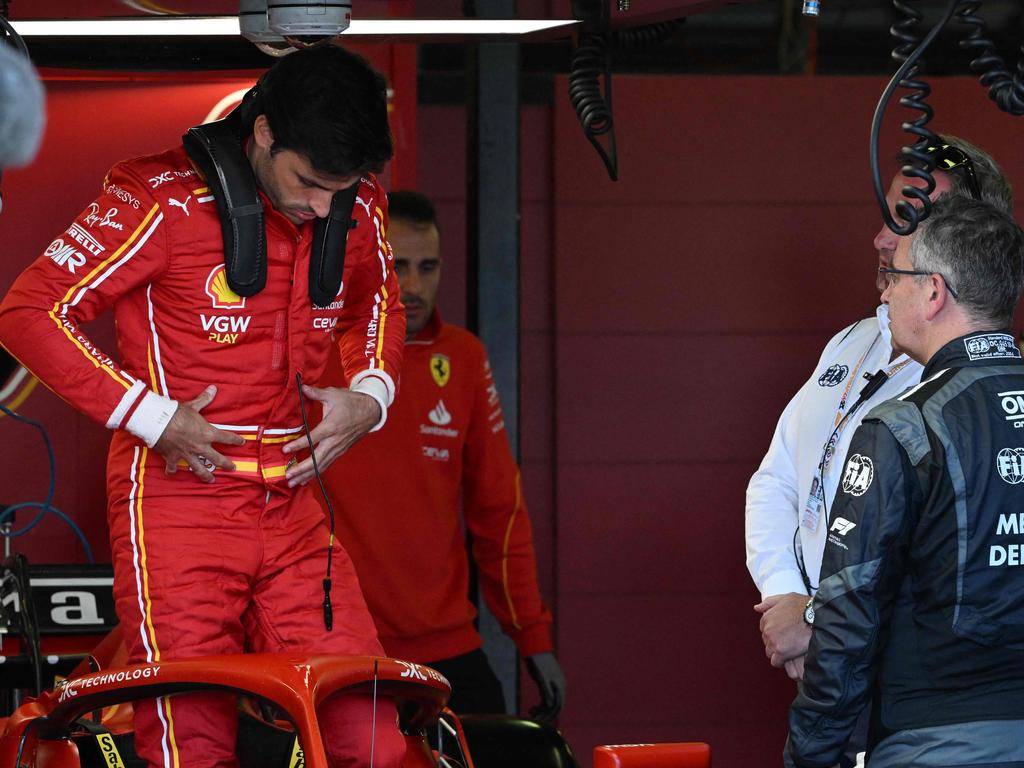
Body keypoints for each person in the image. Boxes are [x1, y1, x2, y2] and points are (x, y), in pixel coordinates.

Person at [0, 45, 406, 768]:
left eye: (339, 189)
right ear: (262, 135)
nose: (322, 207)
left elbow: (376, 299)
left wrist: (371, 394)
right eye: (310, 183)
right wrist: (153, 416)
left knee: (368, 737)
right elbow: (29, 312)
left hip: (294, 505)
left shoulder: (356, 204)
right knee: (193, 745)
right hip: (177, 500)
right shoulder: (156, 197)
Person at [746, 136, 1013, 684]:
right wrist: (785, 596)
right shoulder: (853, 341)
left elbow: (951, 558)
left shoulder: (991, 383)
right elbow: (776, 479)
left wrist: (817, 620)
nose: (882, 239)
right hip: (831, 665)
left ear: (969, 237)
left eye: (909, 219)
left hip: (916, 677)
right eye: (887, 216)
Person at [785, 195, 1024, 767]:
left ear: (935, 292)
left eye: (897, 278)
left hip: (937, 740)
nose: (885, 293)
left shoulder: (904, 426)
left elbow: (848, 617)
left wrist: (810, 755)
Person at [320, 190, 566, 718]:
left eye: (427, 267)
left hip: (447, 647)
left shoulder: (462, 357)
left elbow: (499, 511)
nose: (412, 286)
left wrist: (532, 635)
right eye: (398, 266)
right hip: (336, 645)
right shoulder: (311, 351)